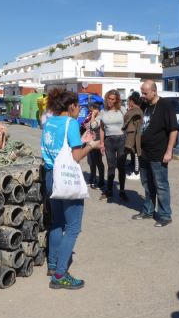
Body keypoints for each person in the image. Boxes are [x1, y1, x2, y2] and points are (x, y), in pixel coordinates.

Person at [41, 88, 101, 289]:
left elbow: (59, 147)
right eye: (79, 107)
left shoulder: (49, 122)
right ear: (72, 106)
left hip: (50, 176)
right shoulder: (71, 124)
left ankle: (52, 264)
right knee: (73, 227)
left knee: (57, 223)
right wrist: (91, 146)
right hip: (65, 179)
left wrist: (81, 142)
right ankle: (60, 275)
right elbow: (76, 156)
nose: (80, 111)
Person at [131, 80, 178, 227]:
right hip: (144, 153)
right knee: (147, 184)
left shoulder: (165, 106)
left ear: (154, 91)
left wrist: (169, 151)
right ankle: (148, 210)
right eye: (142, 93)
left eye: (145, 93)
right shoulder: (145, 106)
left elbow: (173, 130)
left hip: (159, 153)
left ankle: (165, 215)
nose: (143, 96)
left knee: (161, 185)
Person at [99, 89, 128, 201]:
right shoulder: (103, 112)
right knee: (111, 166)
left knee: (121, 167)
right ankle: (109, 191)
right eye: (109, 98)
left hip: (121, 140)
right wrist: (102, 143)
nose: (110, 101)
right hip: (108, 141)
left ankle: (122, 191)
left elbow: (128, 123)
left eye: (113, 99)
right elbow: (102, 129)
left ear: (116, 100)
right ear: (106, 99)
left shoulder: (122, 110)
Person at [83, 102, 105, 190]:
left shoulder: (100, 117)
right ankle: (93, 179)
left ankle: (101, 181)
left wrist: (93, 116)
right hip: (91, 141)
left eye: (91, 110)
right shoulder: (92, 116)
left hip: (97, 142)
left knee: (98, 162)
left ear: (95, 109)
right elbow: (89, 126)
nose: (90, 111)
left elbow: (94, 126)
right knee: (91, 162)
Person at [123, 91, 143, 182]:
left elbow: (127, 120)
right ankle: (135, 169)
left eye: (128, 101)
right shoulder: (138, 110)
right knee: (134, 152)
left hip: (135, 134)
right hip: (134, 133)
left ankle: (137, 172)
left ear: (132, 101)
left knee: (136, 153)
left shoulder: (135, 111)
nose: (127, 102)